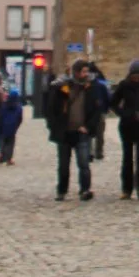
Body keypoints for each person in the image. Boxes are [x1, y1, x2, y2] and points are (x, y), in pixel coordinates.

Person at [44, 59, 99, 200]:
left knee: (84, 164)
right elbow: (51, 109)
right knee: (63, 165)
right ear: (76, 72)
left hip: (82, 132)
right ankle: (62, 191)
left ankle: (85, 190)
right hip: (65, 132)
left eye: (87, 71)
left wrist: (88, 127)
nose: (86, 74)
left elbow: (96, 110)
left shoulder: (90, 88)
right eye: (83, 71)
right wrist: (54, 126)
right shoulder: (62, 88)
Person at [109, 59, 139, 200]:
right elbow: (113, 103)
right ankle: (126, 189)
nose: (136, 78)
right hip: (126, 126)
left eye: (138, 75)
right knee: (127, 158)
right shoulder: (124, 85)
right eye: (133, 75)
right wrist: (123, 114)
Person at [87, 61, 110, 161]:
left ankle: (98, 152)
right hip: (88, 112)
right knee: (88, 134)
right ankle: (89, 153)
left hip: (99, 112)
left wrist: (105, 109)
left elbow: (107, 97)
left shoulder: (100, 85)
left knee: (99, 134)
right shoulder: (85, 85)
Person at [0, 83, 24, 164]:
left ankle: (1, 154)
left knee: (3, 142)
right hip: (12, 127)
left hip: (4, 126)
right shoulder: (18, 107)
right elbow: (20, 118)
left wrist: (0, 125)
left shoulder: (4, 105)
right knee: (10, 144)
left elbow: (0, 115)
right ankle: (9, 159)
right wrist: (16, 126)